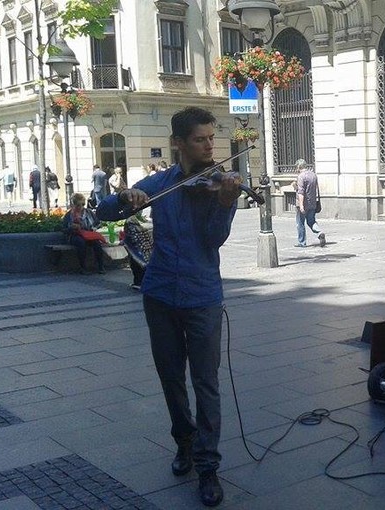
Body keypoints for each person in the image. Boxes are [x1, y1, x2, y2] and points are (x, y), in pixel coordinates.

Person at [96, 106, 244, 507]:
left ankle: (208, 466)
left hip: (202, 297)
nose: (210, 146)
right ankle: (185, 440)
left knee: (206, 382)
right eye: (200, 139)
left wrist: (226, 203)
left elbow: (213, 240)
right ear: (178, 143)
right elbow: (103, 212)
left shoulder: (217, 184)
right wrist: (125, 197)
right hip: (160, 294)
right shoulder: (160, 183)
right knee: (170, 378)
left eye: (212, 138)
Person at [62, 193, 105, 274]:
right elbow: (64, 229)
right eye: (78, 205)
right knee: (81, 243)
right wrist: (72, 228)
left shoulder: (89, 212)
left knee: (96, 243)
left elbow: (98, 224)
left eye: (82, 204)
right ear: (73, 204)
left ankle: (101, 266)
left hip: (88, 234)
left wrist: (90, 228)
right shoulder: (69, 215)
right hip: (74, 235)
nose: (80, 207)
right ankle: (83, 267)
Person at [294, 159, 326, 247]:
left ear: (299, 167)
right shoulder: (313, 175)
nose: (296, 169)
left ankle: (302, 242)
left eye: (296, 167)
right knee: (311, 221)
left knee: (300, 223)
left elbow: (301, 192)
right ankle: (320, 232)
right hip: (312, 203)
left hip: (303, 203)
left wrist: (301, 206)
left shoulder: (301, 176)